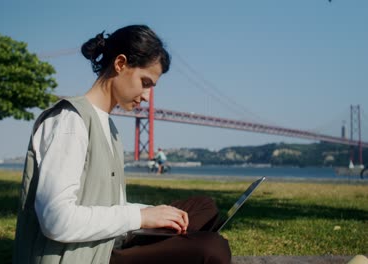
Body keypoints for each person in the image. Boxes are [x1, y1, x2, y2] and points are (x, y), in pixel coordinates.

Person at [13, 25, 231, 264]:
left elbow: (109, 203)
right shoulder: (70, 121)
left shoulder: (109, 126)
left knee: (204, 207)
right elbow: (56, 220)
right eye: (145, 82)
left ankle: (178, 242)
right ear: (120, 64)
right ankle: (184, 246)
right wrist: (140, 217)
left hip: (106, 240)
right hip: (82, 255)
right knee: (213, 248)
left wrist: (154, 214)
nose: (148, 97)